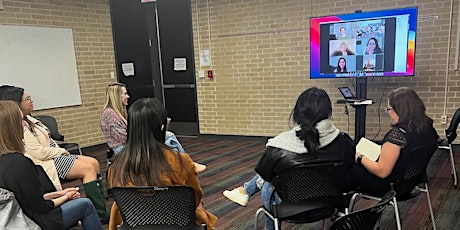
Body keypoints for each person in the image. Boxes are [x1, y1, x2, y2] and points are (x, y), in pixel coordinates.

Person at [222, 87, 355, 230]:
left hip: (287, 209)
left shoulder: (280, 145)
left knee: (268, 183)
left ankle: (250, 197)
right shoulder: (344, 141)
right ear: (329, 112)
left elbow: (264, 174)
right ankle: (245, 191)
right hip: (329, 206)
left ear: (297, 113)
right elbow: (348, 171)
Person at [0, 85, 110, 223]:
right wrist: (62, 151)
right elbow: (39, 152)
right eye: (27, 99)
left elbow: (48, 139)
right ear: (16, 104)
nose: (31, 101)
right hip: (47, 160)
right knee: (87, 169)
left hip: (54, 155)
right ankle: (100, 213)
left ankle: (101, 208)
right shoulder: (18, 126)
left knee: (93, 162)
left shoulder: (30, 119)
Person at [107, 98, 217, 230]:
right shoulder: (179, 162)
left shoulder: (116, 166)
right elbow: (195, 198)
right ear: (162, 127)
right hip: (177, 225)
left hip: (133, 226)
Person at [346, 87, 439, 196]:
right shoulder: (428, 128)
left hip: (391, 187)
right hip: (412, 180)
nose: (388, 113)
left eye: (389, 109)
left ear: (400, 110)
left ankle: (338, 207)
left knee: (348, 168)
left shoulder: (397, 136)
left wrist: (359, 156)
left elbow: (382, 172)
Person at [100, 83, 206, 172]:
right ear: (116, 96)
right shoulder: (110, 114)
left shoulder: (118, 112)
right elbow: (125, 138)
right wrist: (148, 134)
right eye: (125, 94)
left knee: (168, 140)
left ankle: (183, 166)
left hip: (131, 143)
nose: (128, 97)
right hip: (123, 148)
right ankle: (186, 165)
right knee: (168, 139)